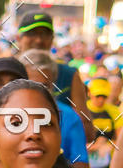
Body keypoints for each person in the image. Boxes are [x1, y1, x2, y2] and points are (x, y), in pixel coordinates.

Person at [15, 11, 94, 140]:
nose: (39, 40)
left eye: (45, 34)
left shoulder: (69, 74)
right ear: (19, 38)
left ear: (52, 39)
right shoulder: (7, 72)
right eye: (32, 33)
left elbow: (87, 131)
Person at [19, 51, 90, 168]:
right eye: (30, 84)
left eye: (44, 85)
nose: (38, 91)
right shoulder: (0, 111)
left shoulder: (68, 116)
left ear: (53, 83)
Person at [81, 78, 123, 168]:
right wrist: (91, 147)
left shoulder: (113, 112)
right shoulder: (82, 111)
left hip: (105, 166)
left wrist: (108, 145)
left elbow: (122, 139)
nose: (100, 100)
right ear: (89, 94)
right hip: (85, 165)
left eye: (104, 96)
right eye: (97, 96)